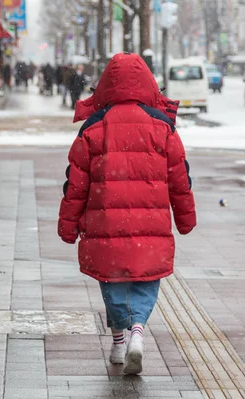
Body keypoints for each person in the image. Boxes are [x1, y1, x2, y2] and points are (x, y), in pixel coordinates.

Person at [58, 53, 196, 375]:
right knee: (145, 279)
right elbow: (180, 178)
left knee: (112, 279)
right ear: (149, 85)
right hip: (151, 225)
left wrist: (68, 226)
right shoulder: (163, 127)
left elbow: (75, 183)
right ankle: (136, 333)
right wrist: (186, 219)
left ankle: (119, 340)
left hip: (105, 223)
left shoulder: (92, 129)